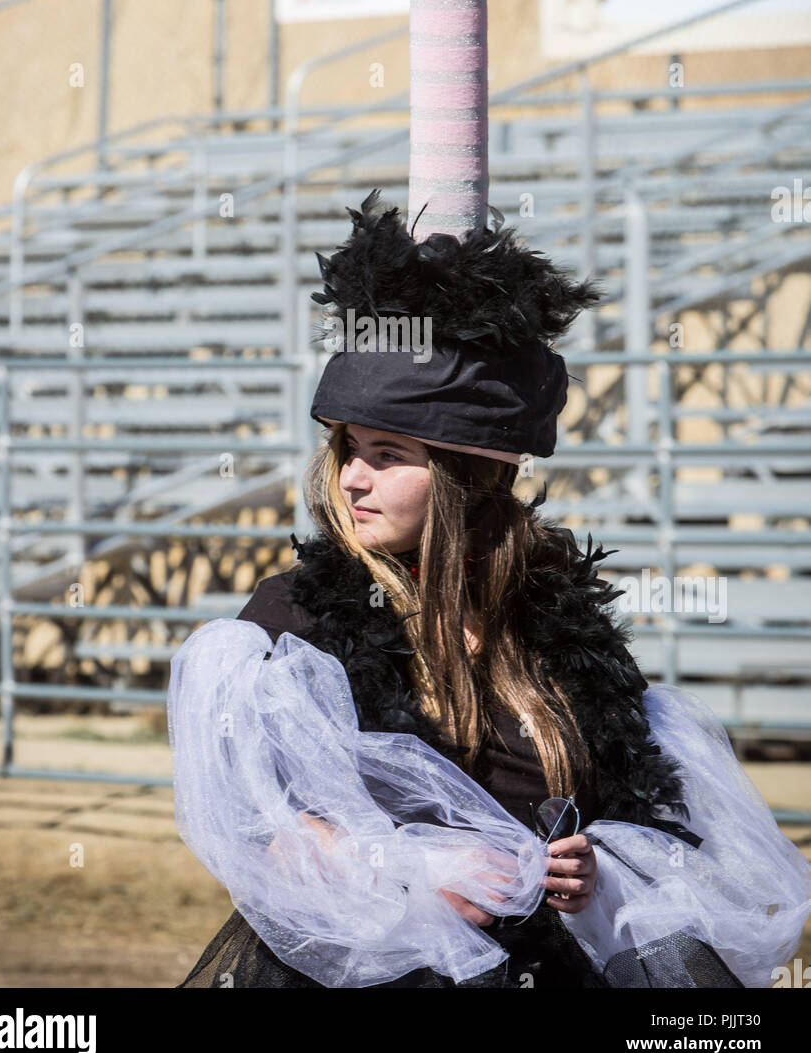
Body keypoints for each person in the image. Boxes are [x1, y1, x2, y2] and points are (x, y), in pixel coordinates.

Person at [167, 192, 811, 989]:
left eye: (388, 455)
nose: (354, 479)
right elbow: (262, 829)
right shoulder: (291, 619)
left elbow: (635, 808)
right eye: (350, 449)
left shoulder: (555, 625)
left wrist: (588, 871)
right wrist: (409, 871)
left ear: (463, 481)